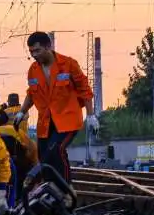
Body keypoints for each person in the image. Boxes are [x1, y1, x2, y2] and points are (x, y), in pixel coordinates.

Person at [14, 32, 98, 185]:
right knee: (43, 155)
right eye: (31, 51)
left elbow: (85, 89)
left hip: (68, 119)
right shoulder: (33, 70)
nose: (34, 55)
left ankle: (66, 189)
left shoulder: (68, 64)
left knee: (57, 150)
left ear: (48, 46)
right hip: (46, 122)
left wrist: (91, 116)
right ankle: (48, 188)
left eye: (37, 51)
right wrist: (22, 112)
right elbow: (32, 93)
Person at [0, 111, 38, 202]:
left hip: (2, 158)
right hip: (19, 156)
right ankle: (19, 200)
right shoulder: (14, 130)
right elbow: (32, 151)